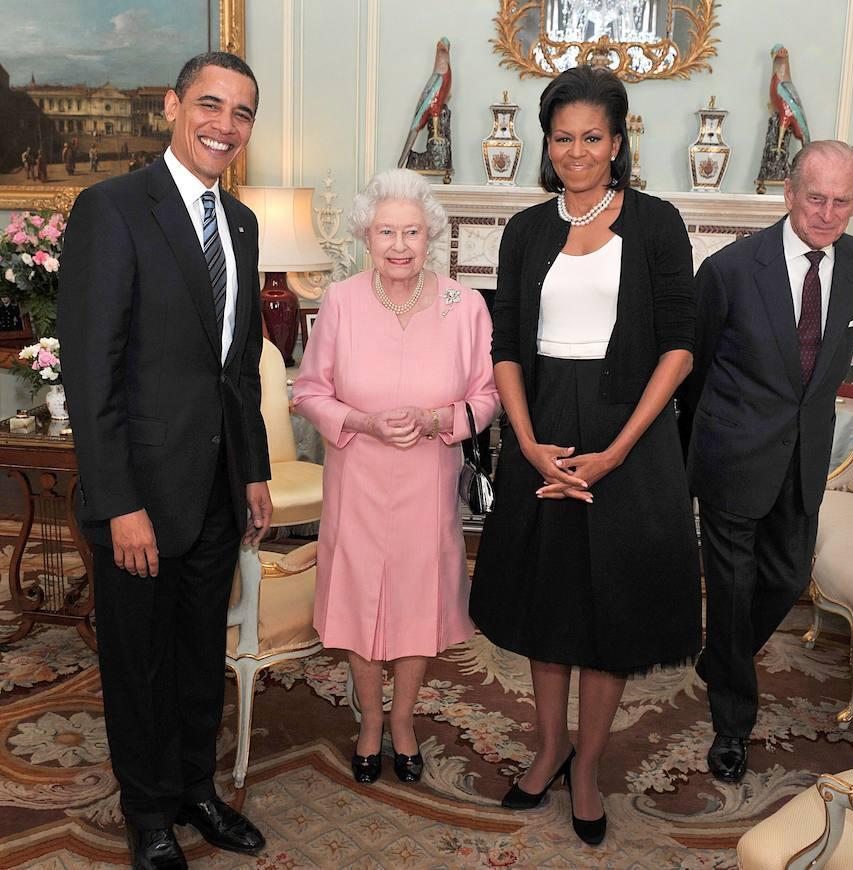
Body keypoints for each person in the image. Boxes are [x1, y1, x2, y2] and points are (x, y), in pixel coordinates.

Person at [470, 66, 701, 847]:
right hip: (543, 437)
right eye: (562, 137)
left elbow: (679, 347)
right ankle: (548, 750)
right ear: (547, 142)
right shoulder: (526, 230)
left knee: (610, 614)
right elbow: (504, 345)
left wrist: (618, 450)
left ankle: (590, 765)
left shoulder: (659, 223)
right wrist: (527, 442)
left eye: (591, 137)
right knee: (548, 605)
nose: (576, 151)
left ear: (618, 140)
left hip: (628, 441)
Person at [58, 51, 272, 869]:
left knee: (195, 659)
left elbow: (238, 366)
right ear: (172, 106)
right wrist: (119, 503)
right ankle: (147, 811)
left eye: (242, 113)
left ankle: (194, 789)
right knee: (138, 663)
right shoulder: (113, 209)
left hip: (216, 489)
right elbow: (91, 370)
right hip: (140, 497)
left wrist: (251, 469)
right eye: (210, 105)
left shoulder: (241, 223)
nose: (225, 124)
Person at [292, 168, 498, 787]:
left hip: (428, 480)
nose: (400, 244)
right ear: (366, 237)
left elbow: (486, 398)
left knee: (417, 602)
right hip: (358, 476)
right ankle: (369, 725)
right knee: (358, 599)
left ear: (430, 234)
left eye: (412, 231)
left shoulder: (466, 305)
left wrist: (439, 418)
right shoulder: (341, 301)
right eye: (387, 232)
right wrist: (365, 422)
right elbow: (308, 391)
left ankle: (403, 721)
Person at [685, 140, 853, 784]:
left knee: (788, 573)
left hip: (802, 461)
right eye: (816, 198)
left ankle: (721, 657)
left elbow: (828, 366)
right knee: (736, 589)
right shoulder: (730, 269)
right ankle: (732, 725)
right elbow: (696, 367)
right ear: (790, 192)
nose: (827, 213)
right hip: (731, 454)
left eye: (842, 201)